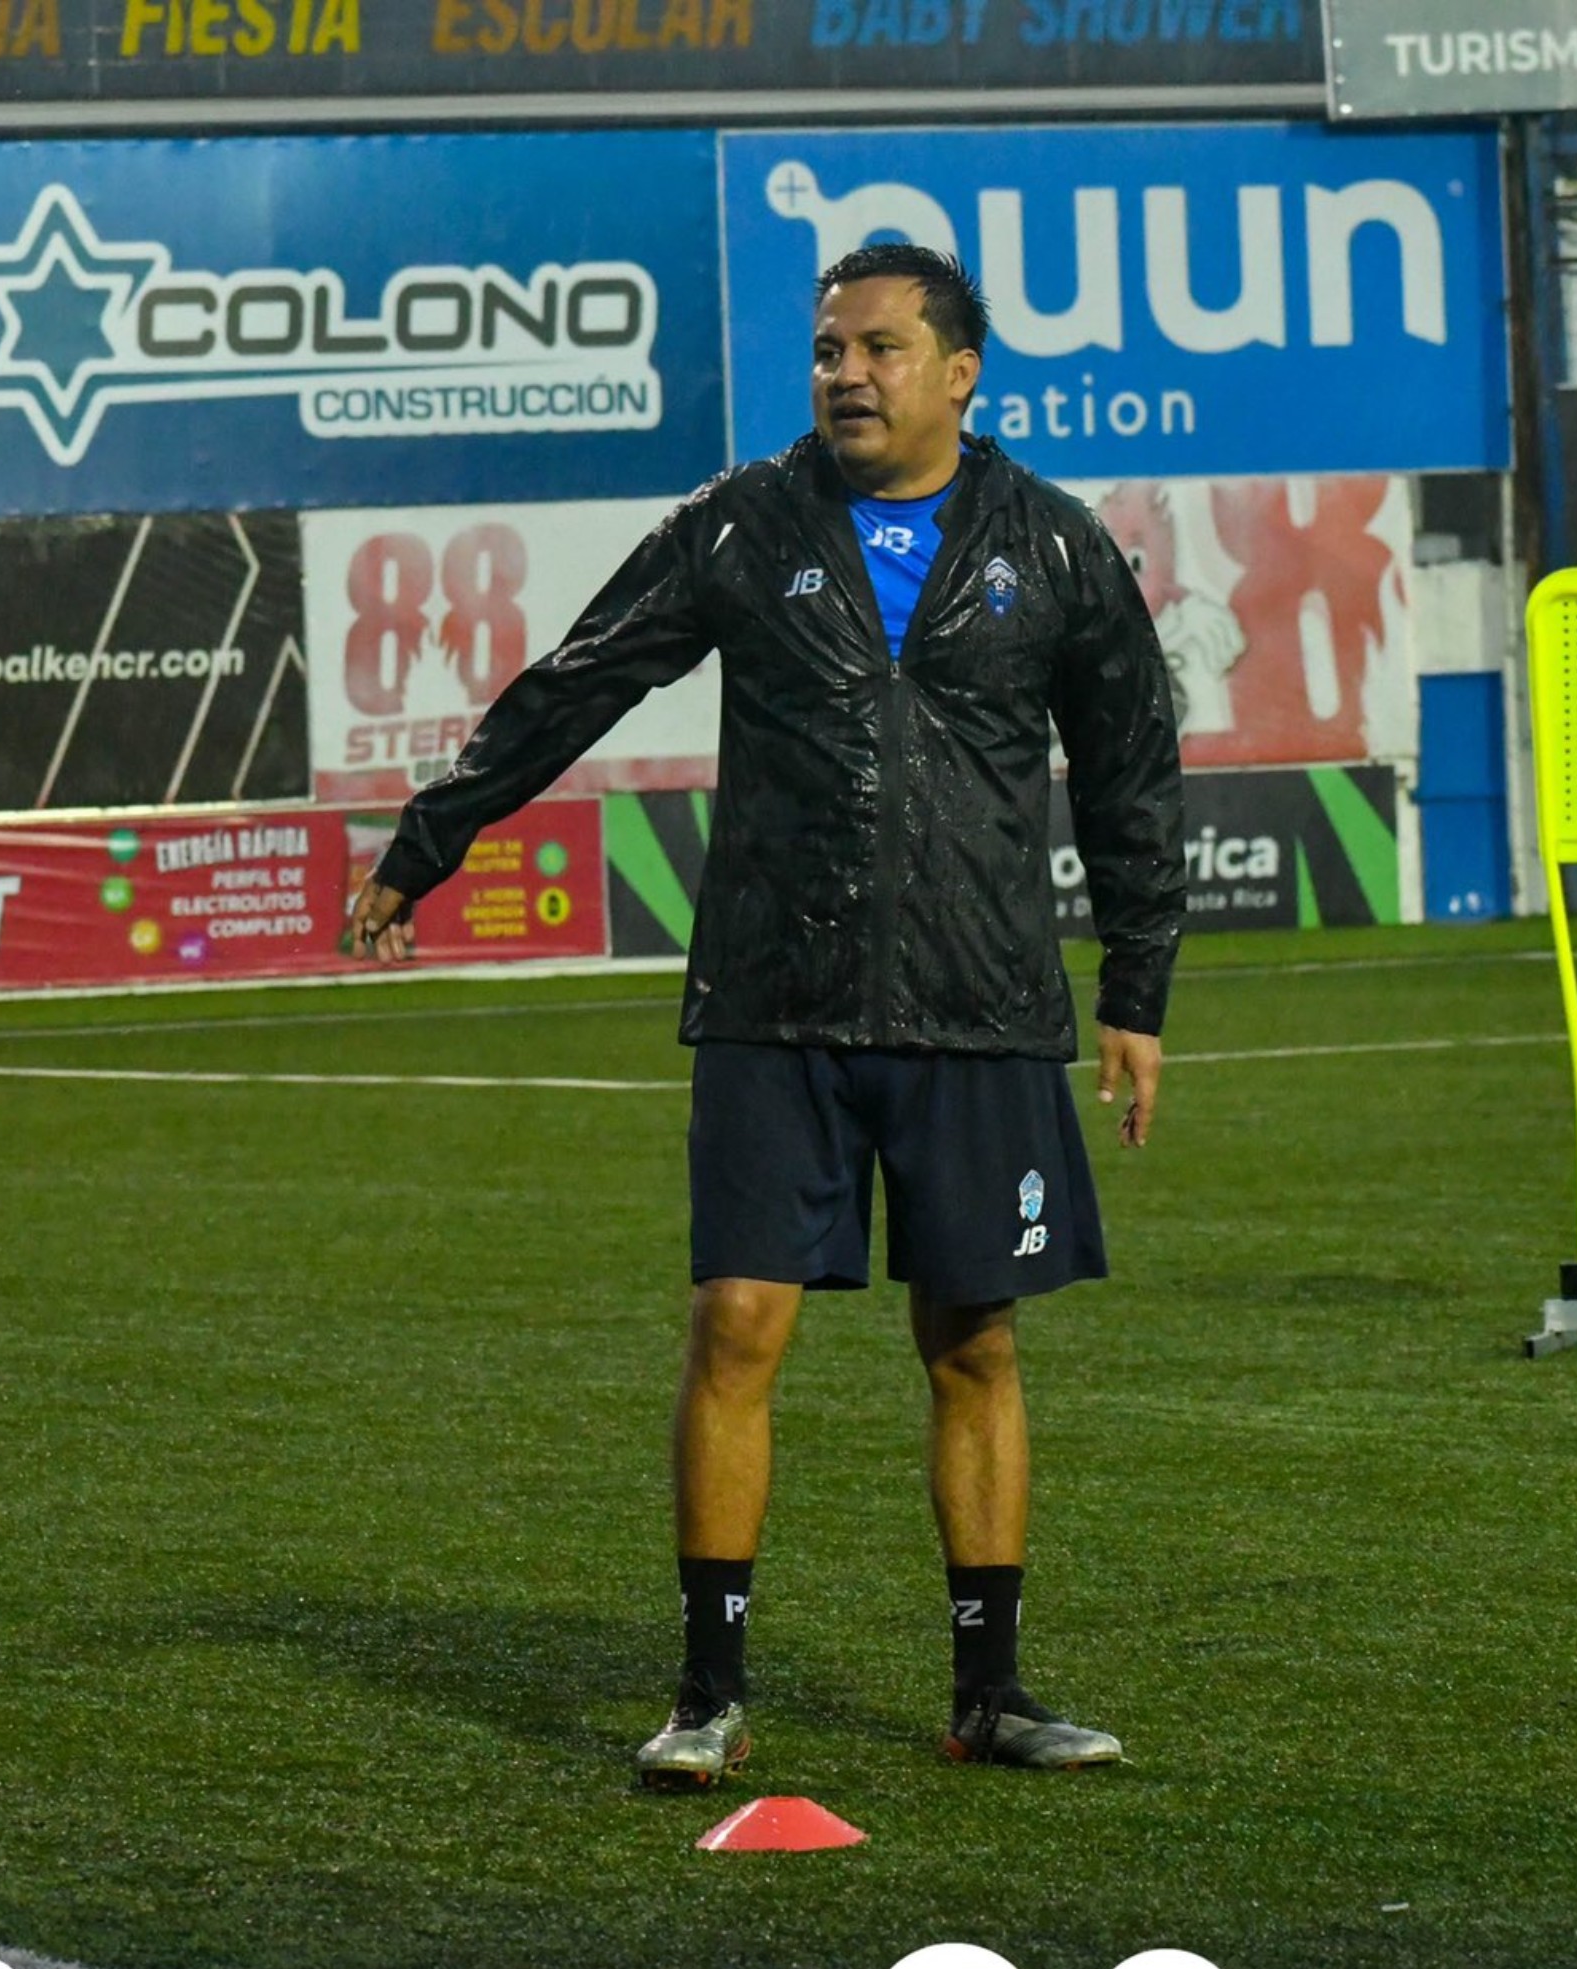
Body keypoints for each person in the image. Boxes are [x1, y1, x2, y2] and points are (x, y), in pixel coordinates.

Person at [346, 244, 1186, 1789]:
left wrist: (1137, 990)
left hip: (981, 1006)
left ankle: (990, 1691)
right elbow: (582, 679)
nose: (845, 375)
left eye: (877, 349)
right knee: (736, 1323)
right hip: (773, 998)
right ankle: (708, 1690)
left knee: (974, 1342)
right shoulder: (747, 522)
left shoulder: (1055, 548)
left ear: (958, 372)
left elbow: (1134, 766)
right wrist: (432, 839)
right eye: (826, 353)